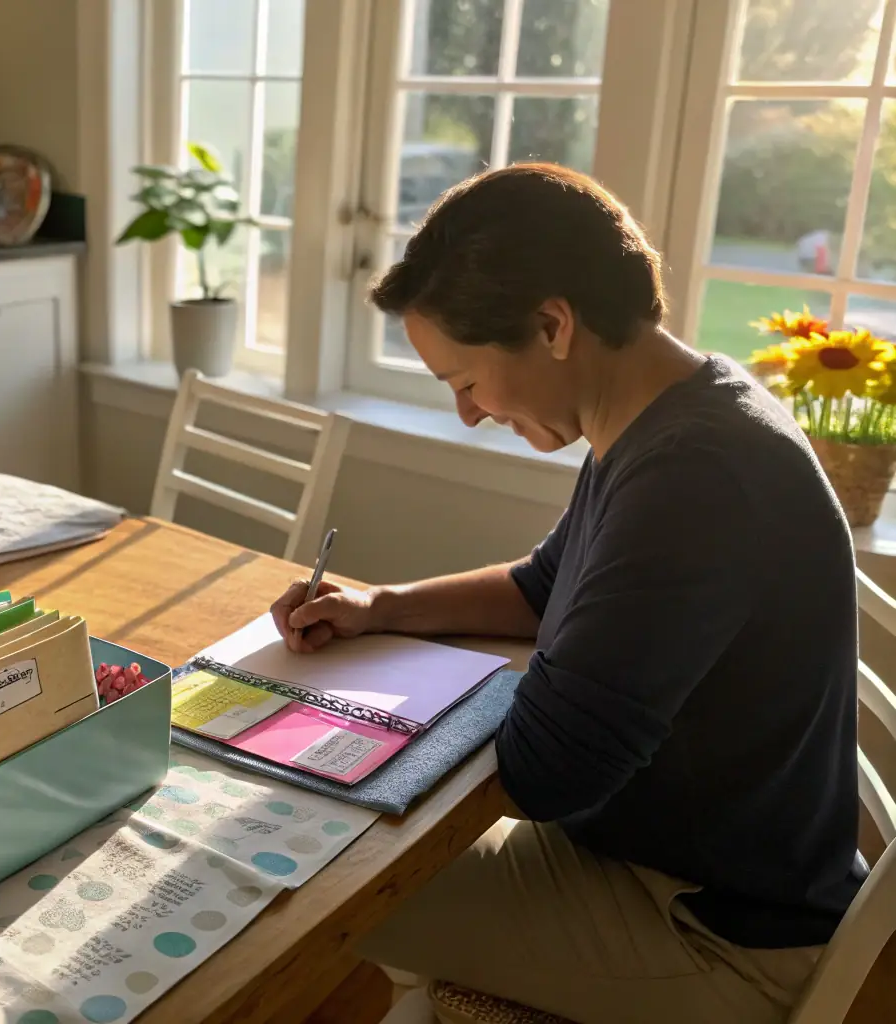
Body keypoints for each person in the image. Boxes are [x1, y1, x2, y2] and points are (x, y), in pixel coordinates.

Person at [268, 165, 867, 1024]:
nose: (469, 413)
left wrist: (412, 708)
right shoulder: (669, 415)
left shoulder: (695, 476)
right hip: (661, 857)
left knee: (304, 897)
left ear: (552, 325)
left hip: (713, 929)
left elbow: (547, 769)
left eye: (465, 381)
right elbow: (543, 587)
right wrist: (382, 606)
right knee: (329, 857)